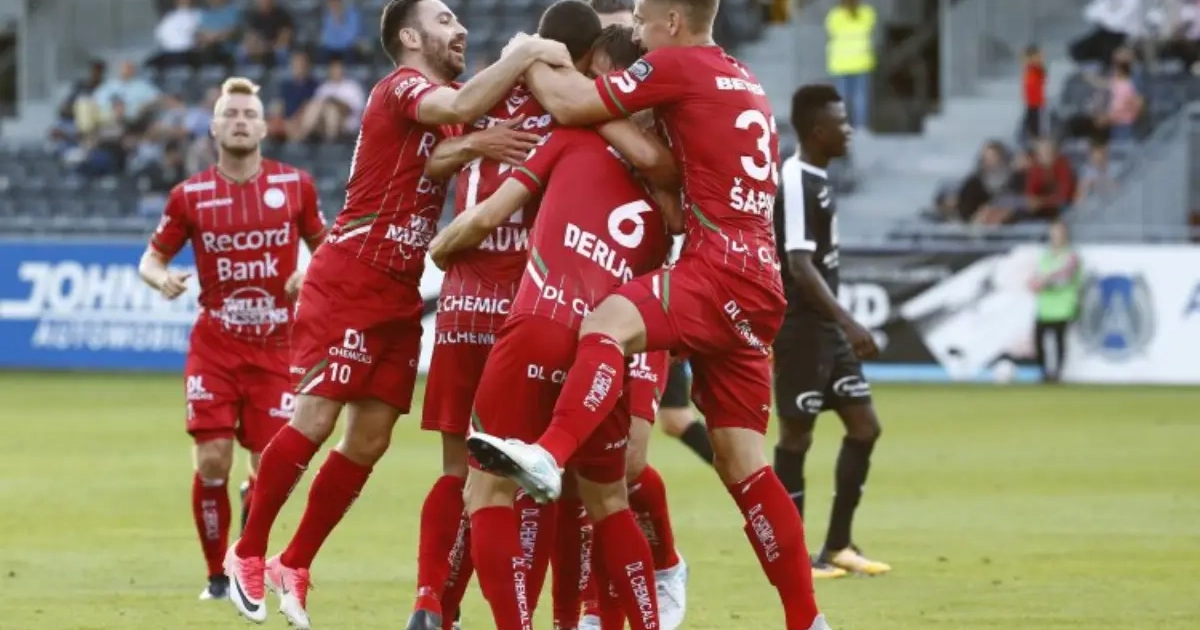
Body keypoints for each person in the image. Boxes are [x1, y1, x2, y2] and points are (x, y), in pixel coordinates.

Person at [465, 1, 831, 628]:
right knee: (743, 464)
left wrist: (528, 53)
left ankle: (550, 452)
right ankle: (807, 619)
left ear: (672, 21)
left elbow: (573, 104)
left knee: (606, 322)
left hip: (717, 269)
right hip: (761, 280)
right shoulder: (742, 76)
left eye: (641, 18)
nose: (636, 30)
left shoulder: (678, 65)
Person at [222, 0, 574, 627]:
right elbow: (463, 108)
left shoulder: (438, 112)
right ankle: (246, 551)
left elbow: (434, 159)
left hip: (400, 289)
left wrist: (475, 143)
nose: (459, 28)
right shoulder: (402, 87)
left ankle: (293, 562)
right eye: (444, 20)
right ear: (410, 37)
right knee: (317, 417)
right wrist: (523, 51)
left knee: (371, 438)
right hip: (353, 274)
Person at [428, 20, 677, 626]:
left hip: (540, 324)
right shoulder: (668, 193)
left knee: (486, 490)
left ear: (601, 79)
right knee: (609, 499)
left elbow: (485, 219)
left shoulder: (569, 140)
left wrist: (439, 248)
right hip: (606, 351)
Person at [406, 3, 619, 630]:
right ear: (587, 56)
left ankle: (431, 605)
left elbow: (433, 161)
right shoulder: (575, 108)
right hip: (531, 305)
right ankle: (535, 618)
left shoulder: (480, 93)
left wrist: (475, 139)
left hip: (461, 302)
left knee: (458, 472)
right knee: (534, 479)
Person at [136, 76, 326, 602]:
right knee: (212, 458)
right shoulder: (189, 196)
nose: (240, 121)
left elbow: (329, 249)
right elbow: (150, 260)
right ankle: (217, 578)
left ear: (264, 127)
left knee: (271, 467)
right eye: (231, 114)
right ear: (214, 127)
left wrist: (309, 274)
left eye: (249, 114)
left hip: (278, 346)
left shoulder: (295, 186)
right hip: (216, 345)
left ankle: (246, 545)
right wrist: (161, 279)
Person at [589, 0, 715, 470]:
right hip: (586, 288)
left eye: (632, 33)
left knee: (630, 456)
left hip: (648, 290)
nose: (628, 47)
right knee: (612, 454)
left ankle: (753, 481)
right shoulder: (577, 124)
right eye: (608, 42)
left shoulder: (668, 111)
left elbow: (678, 213)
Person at [772, 84, 891, 579]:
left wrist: (839, 324)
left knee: (865, 427)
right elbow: (799, 264)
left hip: (826, 330)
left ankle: (838, 545)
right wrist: (848, 319)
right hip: (802, 328)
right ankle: (790, 556)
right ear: (819, 131)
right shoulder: (795, 179)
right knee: (796, 437)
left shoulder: (818, 177)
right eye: (842, 123)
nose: (850, 131)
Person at [1029, 221, 1082, 383]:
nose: (1056, 236)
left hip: (1063, 306)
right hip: (1045, 306)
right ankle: (1043, 373)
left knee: (1059, 340)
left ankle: (1057, 375)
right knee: (1038, 340)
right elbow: (1035, 280)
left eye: (1059, 233)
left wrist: (1045, 280)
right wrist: (1039, 282)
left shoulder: (1071, 256)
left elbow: (1065, 278)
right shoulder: (1045, 256)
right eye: (1054, 233)